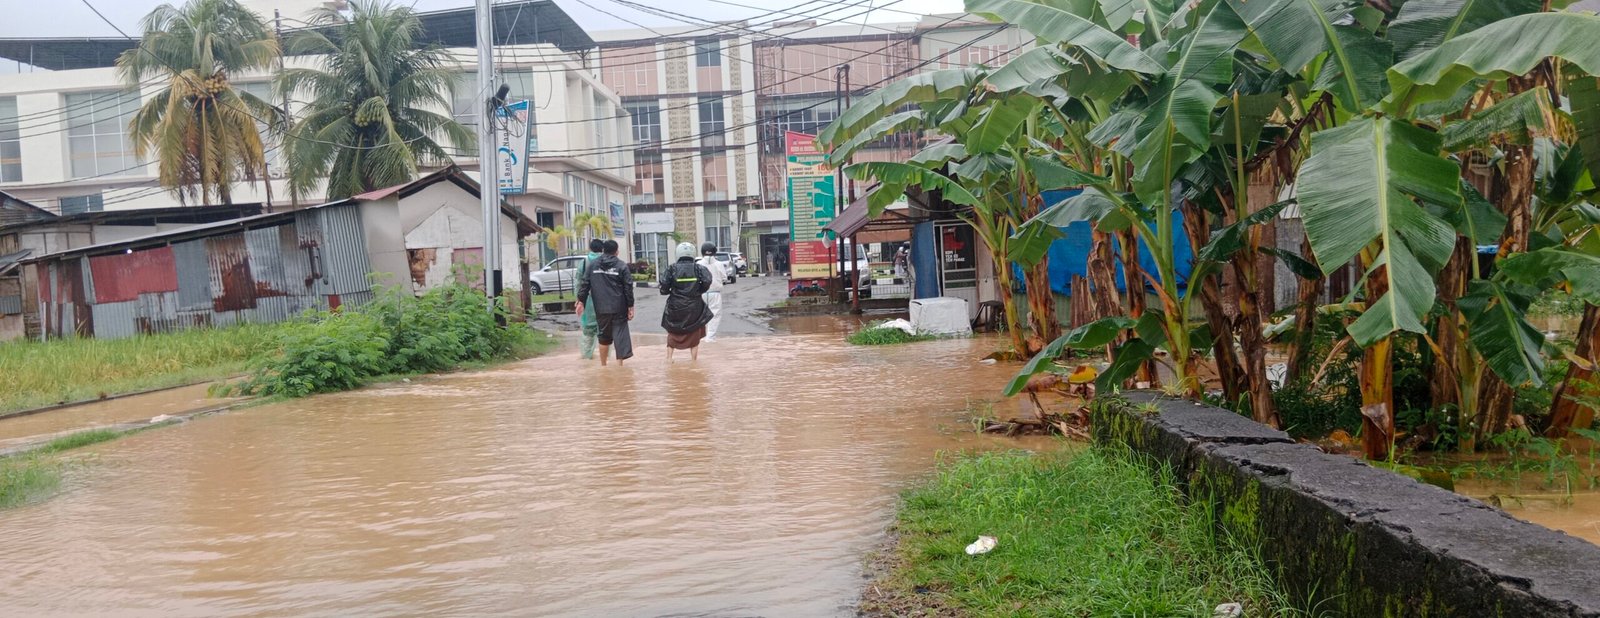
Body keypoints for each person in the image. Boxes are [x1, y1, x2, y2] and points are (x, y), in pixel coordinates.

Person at [575, 239, 634, 366]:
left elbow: (585, 284)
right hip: (619, 307)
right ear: (617, 251)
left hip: (601, 308)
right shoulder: (622, 266)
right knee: (620, 335)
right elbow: (628, 287)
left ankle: (603, 366)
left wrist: (581, 301)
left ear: (603, 250)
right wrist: (630, 306)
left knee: (604, 337)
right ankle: (619, 366)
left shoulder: (593, 265)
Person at [659, 242, 713, 362]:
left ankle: (669, 358)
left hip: (675, 306)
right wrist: (699, 290)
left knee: (673, 331)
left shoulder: (671, 268)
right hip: (694, 306)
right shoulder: (699, 268)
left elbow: (664, 286)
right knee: (694, 332)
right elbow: (707, 281)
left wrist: (666, 291)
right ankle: (694, 360)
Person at [577, 238, 604, 360]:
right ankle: (606, 359)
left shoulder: (584, 262)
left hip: (588, 300)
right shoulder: (606, 261)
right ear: (602, 249)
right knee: (605, 332)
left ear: (590, 248)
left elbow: (578, 282)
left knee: (588, 331)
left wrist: (578, 299)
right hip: (606, 301)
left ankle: (586, 357)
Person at [695, 242, 727, 342]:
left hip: (701, 293)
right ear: (714, 251)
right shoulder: (719, 264)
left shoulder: (698, 264)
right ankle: (710, 337)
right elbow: (724, 278)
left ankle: (701, 336)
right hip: (715, 293)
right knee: (715, 315)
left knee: (700, 315)